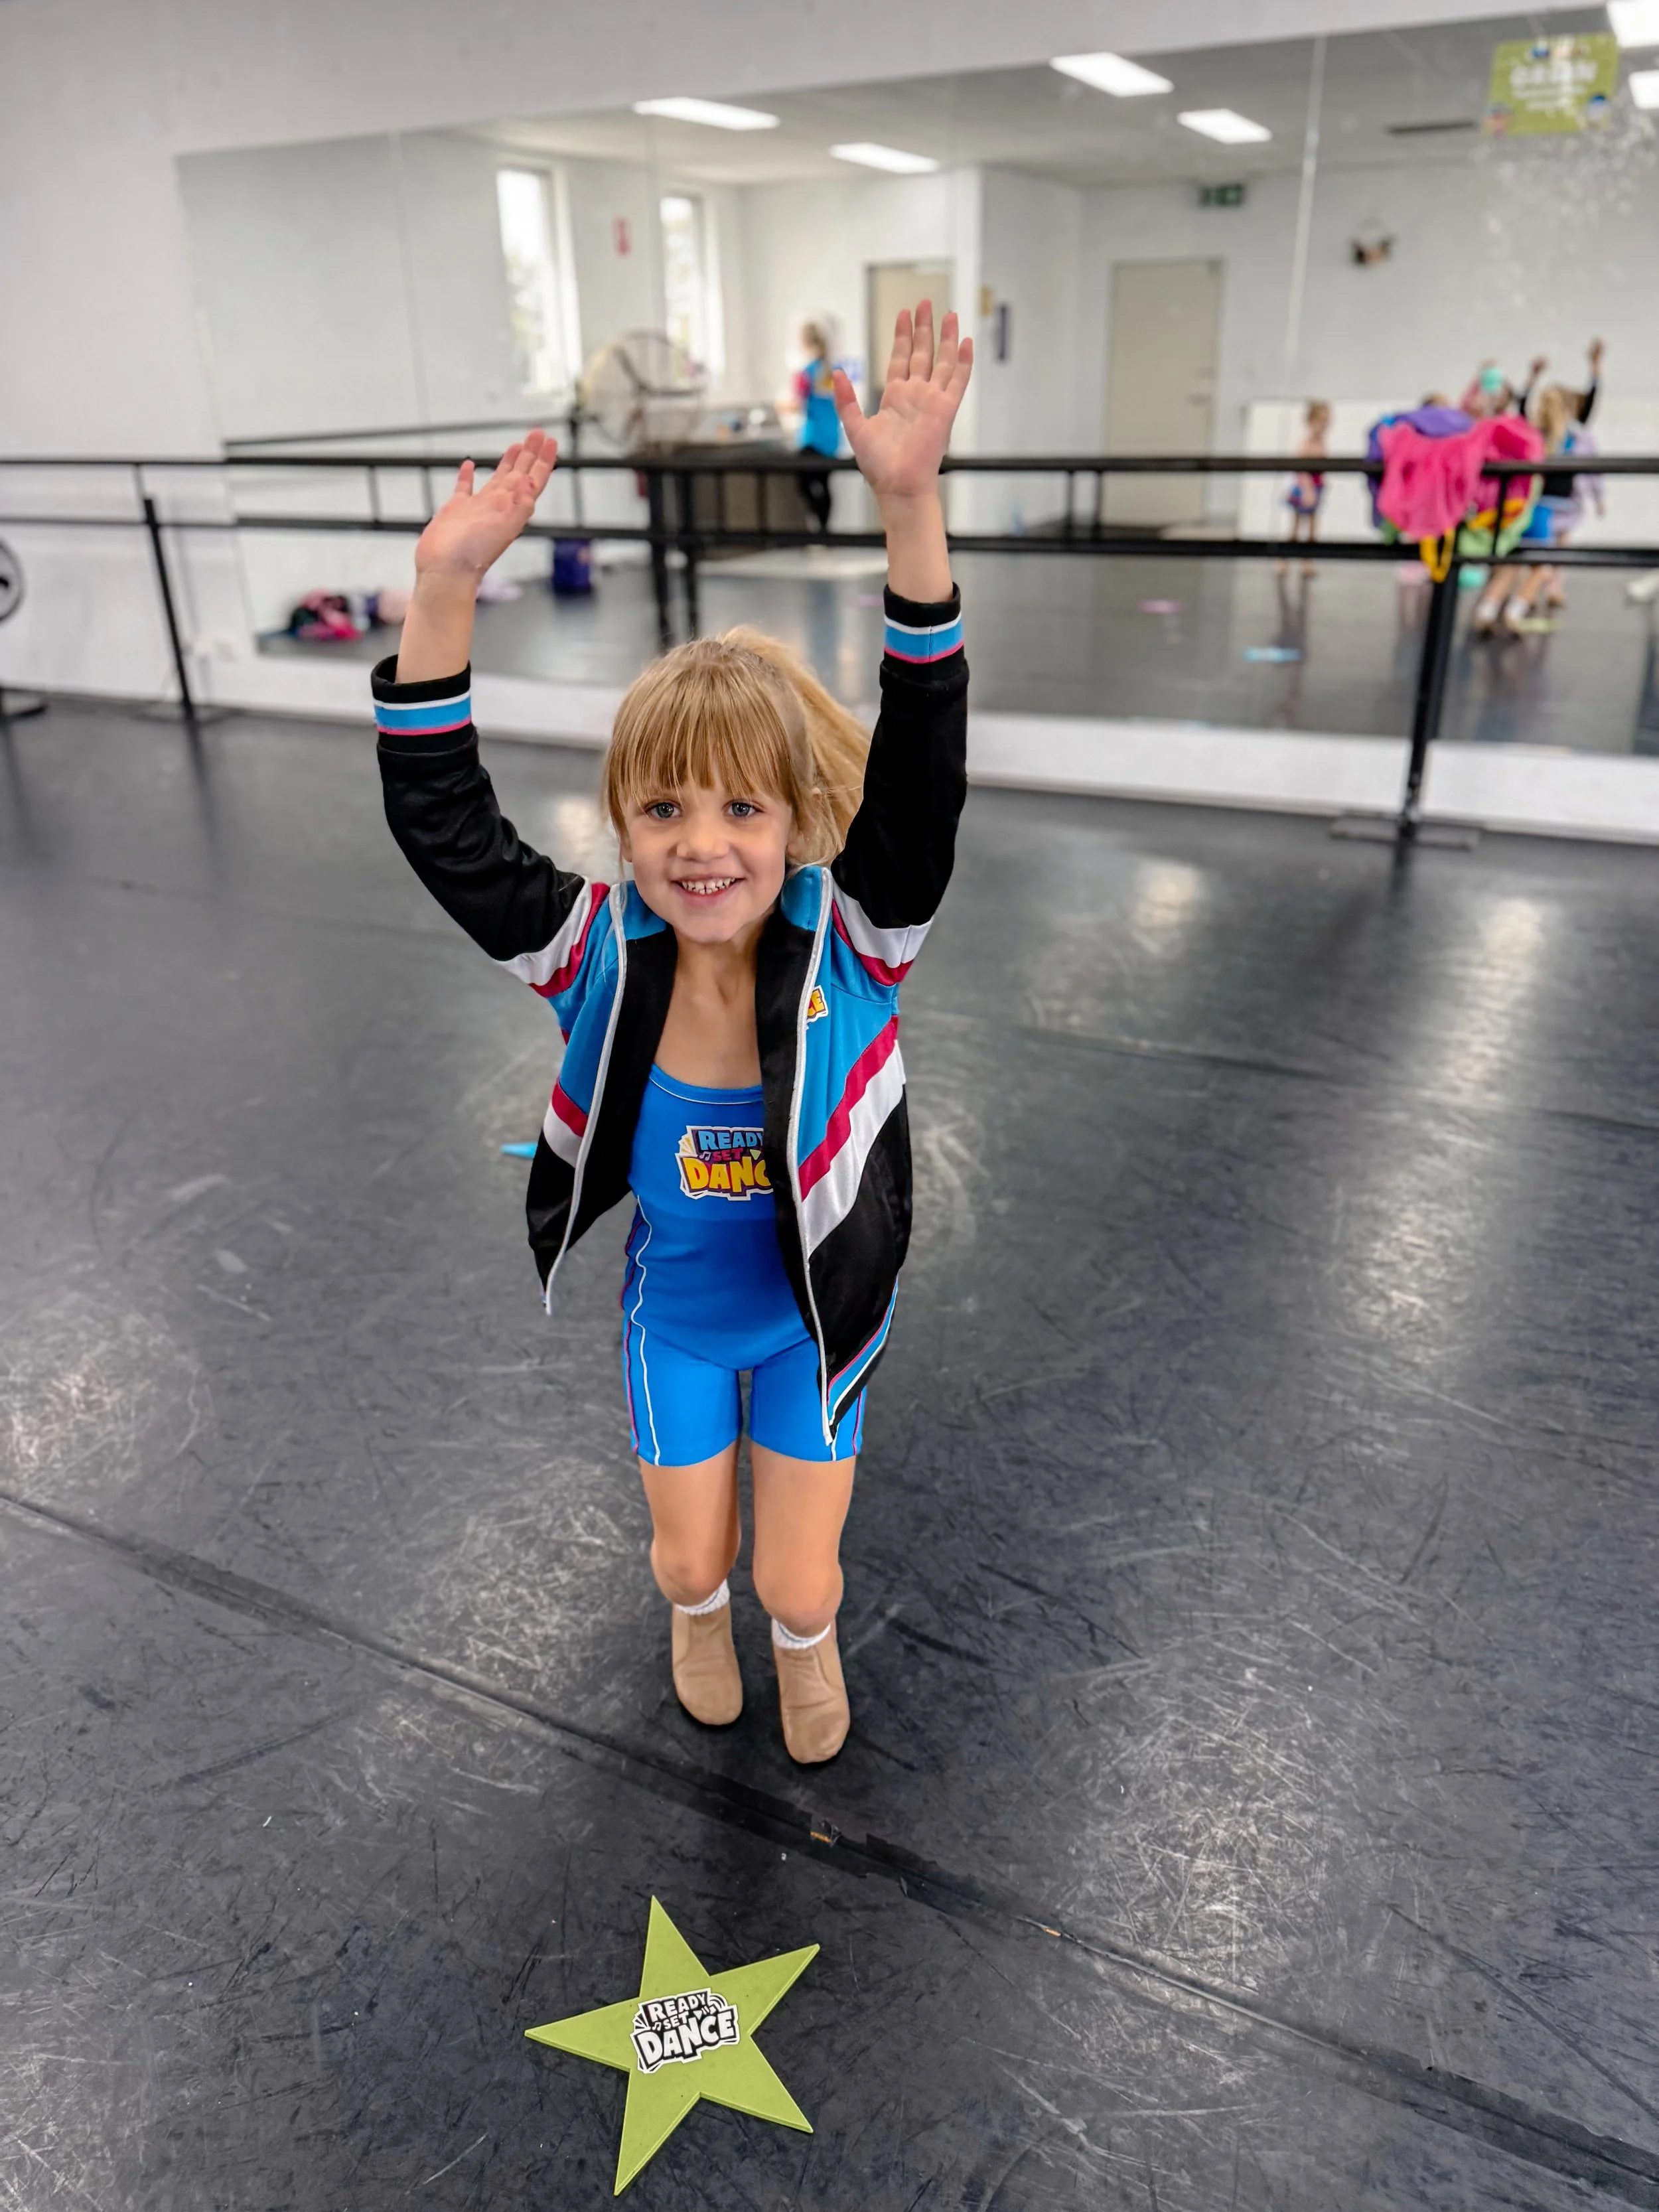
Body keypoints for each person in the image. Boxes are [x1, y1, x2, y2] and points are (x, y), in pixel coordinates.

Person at [370, 302, 972, 1766]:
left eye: (740, 808)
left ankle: (796, 1640)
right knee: (690, 1561)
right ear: (623, 824)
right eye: (663, 809)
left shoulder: (857, 937)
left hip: (817, 1322)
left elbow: (924, 754)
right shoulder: (598, 957)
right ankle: (696, 1616)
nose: (701, 846)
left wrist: (907, 502)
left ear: (794, 822)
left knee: (795, 1575)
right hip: (680, 1327)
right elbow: (443, 825)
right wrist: (443, 588)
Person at [1473, 355, 1605, 637]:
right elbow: (1587, 410)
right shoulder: (1570, 438)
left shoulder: (1532, 434)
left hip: (1525, 507)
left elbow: (1521, 408)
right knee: (1539, 567)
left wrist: (1531, 379)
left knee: (1511, 564)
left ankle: (1486, 610)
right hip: (1545, 509)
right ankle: (1514, 610)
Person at [793, 321, 841, 534]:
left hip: (813, 438)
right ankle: (823, 530)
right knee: (823, 483)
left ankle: (821, 530)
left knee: (803, 482)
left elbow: (798, 402)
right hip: (831, 437)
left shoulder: (806, 373)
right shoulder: (834, 371)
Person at [1279, 399, 1331, 575]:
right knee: (1295, 528)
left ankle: (1307, 561)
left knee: (1313, 530)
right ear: (1310, 422)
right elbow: (1301, 470)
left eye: (1327, 422)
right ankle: (1282, 560)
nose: (1324, 426)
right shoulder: (1305, 443)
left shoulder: (1323, 442)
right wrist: (1308, 490)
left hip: (1317, 487)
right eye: (1321, 422)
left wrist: (1324, 483)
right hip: (1303, 488)